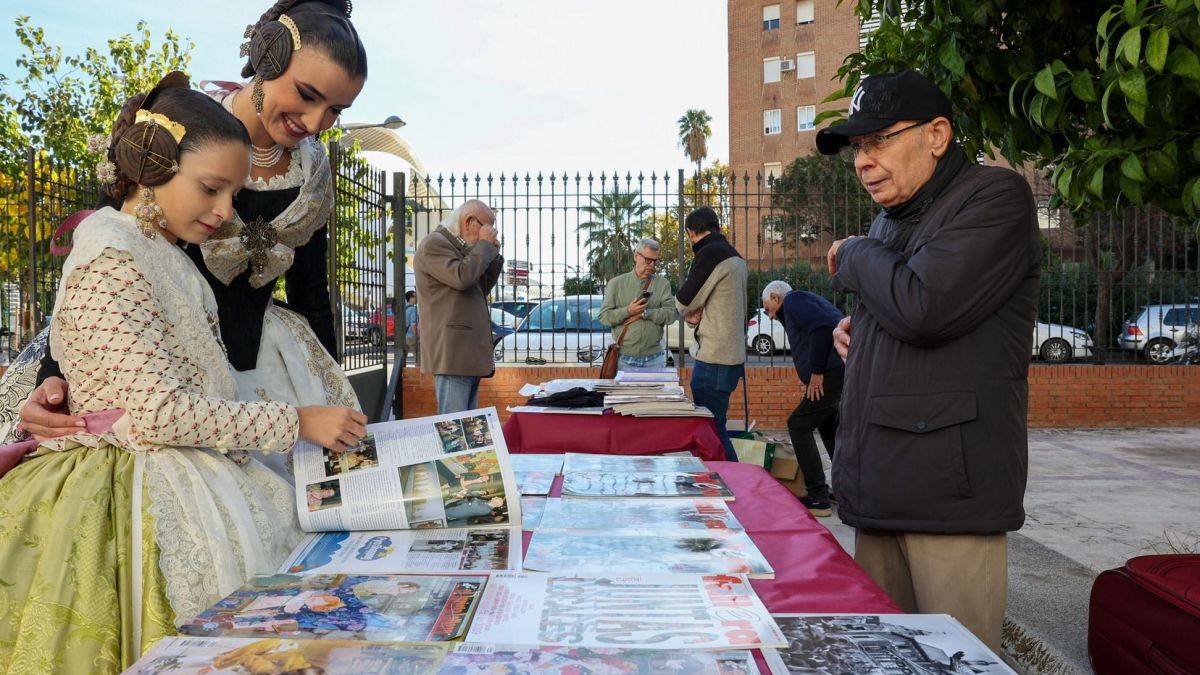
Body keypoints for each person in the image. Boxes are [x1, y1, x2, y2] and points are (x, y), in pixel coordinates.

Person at [0, 77, 367, 673]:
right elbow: (158, 412)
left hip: (181, 464)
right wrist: (297, 420)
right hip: (135, 480)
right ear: (152, 169)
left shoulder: (154, 248)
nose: (225, 211)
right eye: (211, 188)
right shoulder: (112, 252)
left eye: (233, 193)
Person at [13, 0, 367, 461]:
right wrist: (53, 377)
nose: (316, 121)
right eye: (306, 93)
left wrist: (329, 390)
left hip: (270, 364)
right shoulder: (182, 128)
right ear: (268, 57)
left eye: (335, 109)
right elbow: (101, 262)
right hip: (161, 372)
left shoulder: (313, 171)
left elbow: (311, 293)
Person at [818, 69, 1040, 651]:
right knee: (879, 659)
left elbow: (925, 307)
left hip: (948, 504)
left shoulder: (994, 197)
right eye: (857, 147)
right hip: (879, 493)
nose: (863, 161)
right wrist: (860, 332)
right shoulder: (891, 218)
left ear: (936, 135)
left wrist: (855, 253)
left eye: (879, 140)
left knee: (956, 660)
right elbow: (903, 308)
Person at [760, 280, 844, 518]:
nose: (770, 315)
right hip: (838, 373)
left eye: (768, 309)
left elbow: (821, 327)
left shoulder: (794, 300)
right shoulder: (805, 302)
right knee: (828, 427)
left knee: (798, 424)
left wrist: (816, 372)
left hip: (831, 375)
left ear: (775, 297)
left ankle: (818, 497)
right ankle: (846, 490)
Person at [413, 200, 503, 414]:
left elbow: (479, 289)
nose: (490, 233)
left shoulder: (462, 248)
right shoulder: (435, 244)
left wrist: (491, 254)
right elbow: (462, 278)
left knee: (467, 422)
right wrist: (483, 247)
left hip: (466, 351)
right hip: (452, 352)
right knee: (453, 422)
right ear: (469, 221)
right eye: (486, 227)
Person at [675, 206, 748, 461]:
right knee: (717, 426)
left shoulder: (710, 253)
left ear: (691, 232)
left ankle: (733, 479)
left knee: (712, 430)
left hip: (714, 358)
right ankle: (730, 477)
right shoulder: (734, 255)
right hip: (730, 356)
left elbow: (683, 301)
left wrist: (689, 313)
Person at [597, 237, 677, 369]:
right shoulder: (616, 284)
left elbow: (671, 315)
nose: (652, 265)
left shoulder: (663, 284)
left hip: (654, 358)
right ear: (636, 256)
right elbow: (604, 317)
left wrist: (646, 313)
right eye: (648, 260)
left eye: (655, 261)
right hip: (623, 358)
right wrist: (628, 311)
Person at [404, 290, 420, 366]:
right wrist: (417, 335)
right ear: (410, 298)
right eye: (415, 296)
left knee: (402, 359)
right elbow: (413, 324)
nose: (417, 298)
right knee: (418, 359)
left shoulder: (403, 308)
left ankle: (400, 373)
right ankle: (419, 372)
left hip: (403, 336)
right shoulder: (413, 309)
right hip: (411, 336)